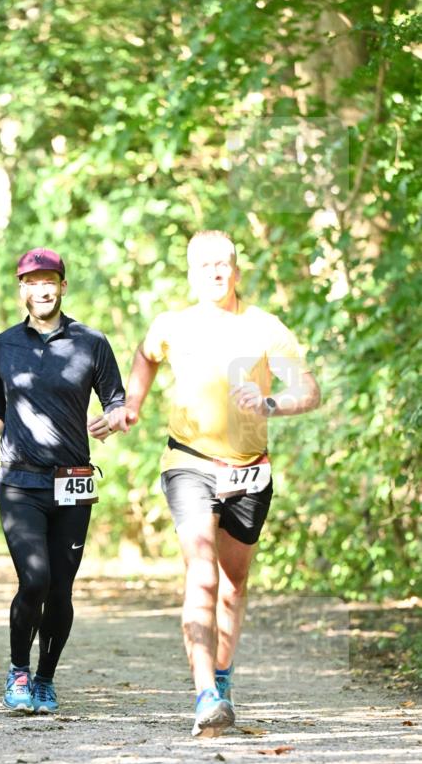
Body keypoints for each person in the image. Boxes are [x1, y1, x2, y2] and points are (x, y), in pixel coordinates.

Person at [110, 230, 321, 737]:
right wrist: (132, 405)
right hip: (189, 462)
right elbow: (145, 354)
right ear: (191, 273)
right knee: (202, 575)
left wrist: (272, 404)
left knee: (233, 585)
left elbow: (308, 390)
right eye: (204, 265)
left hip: (251, 468)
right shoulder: (172, 325)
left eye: (223, 264)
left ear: (237, 271)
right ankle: (204, 694)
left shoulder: (265, 328)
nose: (214, 272)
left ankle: (221, 679)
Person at [0, 248, 125, 715]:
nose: (40, 288)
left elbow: (117, 400)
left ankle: (44, 679)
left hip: (73, 482)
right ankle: (18, 671)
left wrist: (113, 418)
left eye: (49, 280)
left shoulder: (92, 342)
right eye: (31, 281)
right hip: (19, 480)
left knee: (61, 588)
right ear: (21, 289)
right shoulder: (2, 344)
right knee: (34, 578)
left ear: (62, 286)